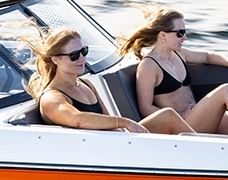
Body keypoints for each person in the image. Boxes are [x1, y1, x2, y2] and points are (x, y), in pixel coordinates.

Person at [121, 7, 228, 136]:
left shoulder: (179, 54)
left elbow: (208, 56)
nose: (185, 38)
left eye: (185, 32)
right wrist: (178, 116)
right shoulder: (149, 66)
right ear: (163, 35)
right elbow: (145, 107)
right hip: (184, 126)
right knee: (225, 91)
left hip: (200, 118)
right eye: (180, 33)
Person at [30, 28, 193, 134]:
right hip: (96, 154)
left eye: (84, 51)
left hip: (112, 143)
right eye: (74, 56)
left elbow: (109, 124)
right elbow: (77, 119)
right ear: (55, 60)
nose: (82, 58)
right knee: (168, 117)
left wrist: (124, 132)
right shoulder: (52, 98)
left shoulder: (86, 84)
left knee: (167, 115)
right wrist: (124, 122)